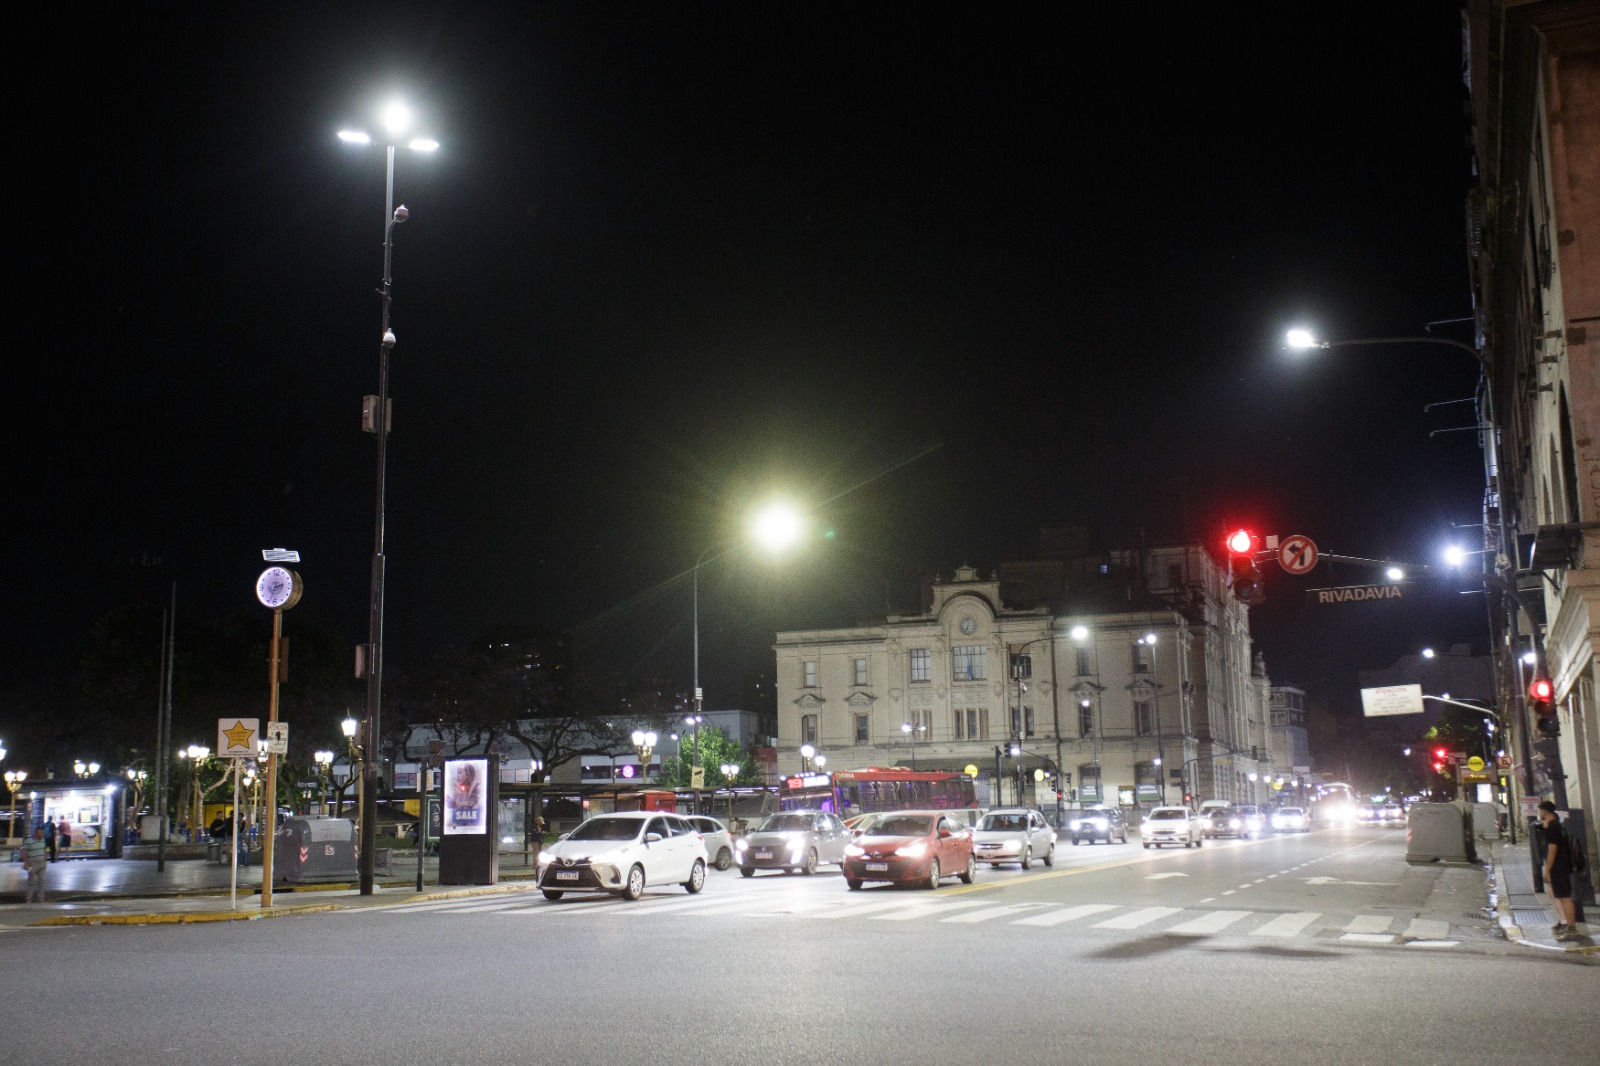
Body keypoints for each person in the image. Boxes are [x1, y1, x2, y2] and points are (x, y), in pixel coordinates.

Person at [1538, 800, 1582, 940]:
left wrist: (1547, 870)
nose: (1539, 814)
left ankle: (1572, 930)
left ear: (1544, 812)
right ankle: (1568, 927)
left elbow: (1552, 850)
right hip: (1563, 866)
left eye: (1540, 811)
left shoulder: (1552, 828)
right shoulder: (1557, 826)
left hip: (1559, 867)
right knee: (1561, 896)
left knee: (1565, 898)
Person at [22, 826, 49, 902]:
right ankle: (28, 899)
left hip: (42, 863)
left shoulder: (43, 840)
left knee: (41, 881)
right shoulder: (28, 841)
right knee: (31, 881)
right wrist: (26, 863)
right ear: (37, 833)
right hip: (32, 863)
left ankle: (40, 898)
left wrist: (45, 860)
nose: (43, 834)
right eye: (42, 833)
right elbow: (25, 853)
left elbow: (44, 850)